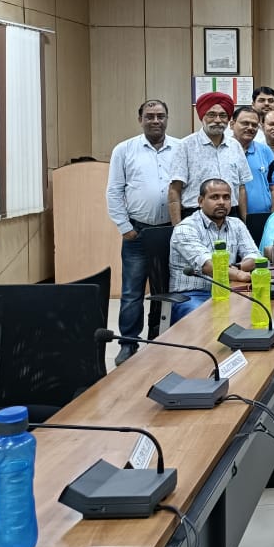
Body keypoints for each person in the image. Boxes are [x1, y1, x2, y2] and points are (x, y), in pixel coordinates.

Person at [106, 99, 180, 364]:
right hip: (137, 232)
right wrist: (125, 227)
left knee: (169, 288)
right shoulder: (124, 150)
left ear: (167, 118)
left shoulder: (180, 148)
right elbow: (114, 191)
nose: (155, 121)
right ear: (140, 120)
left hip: (170, 232)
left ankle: (163, 339)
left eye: (160, 116)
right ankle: (128, 343)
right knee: (131, 292)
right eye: (150, 116)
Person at [168, 178, 258, 322]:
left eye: (226, 197)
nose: (221, 202)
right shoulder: (185, 228)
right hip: (192, 295)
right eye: (215, 197)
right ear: (200, 201)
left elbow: (255, 257)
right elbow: (209, 267)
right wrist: (239, 275)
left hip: (229, 289)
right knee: (209, 320)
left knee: (259, 312)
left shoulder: (236, 224)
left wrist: (237, 267)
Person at [168, 91, 251, 224]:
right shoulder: (186, 145)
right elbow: (174, 190)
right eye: (211, 115)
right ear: (202, 117)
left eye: (223, 115)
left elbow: (241, 188)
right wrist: (177, 227)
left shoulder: (235, 146)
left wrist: (244, 222)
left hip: (231, 215)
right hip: (195, 216)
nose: (217, 120)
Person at [230, 106, 274, 216]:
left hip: (261, 216)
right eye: (245, 123)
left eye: (254, 125)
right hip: (230, 215)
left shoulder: (265, 151)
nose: (250, 127)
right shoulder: (224, 151)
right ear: (232, 124)